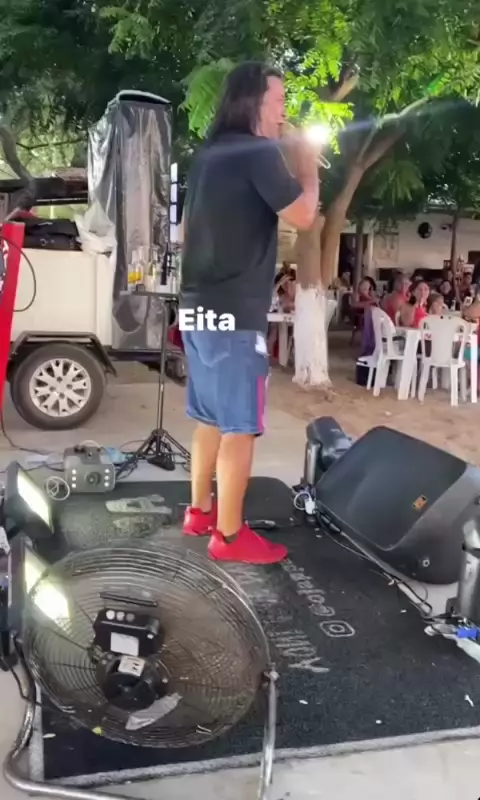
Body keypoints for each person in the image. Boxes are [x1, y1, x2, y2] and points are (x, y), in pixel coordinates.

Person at [179, 62, 319, 564]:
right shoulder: (259, 152)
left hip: (197, 307)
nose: (284, 111)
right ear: (253, 102)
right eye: (278, 100)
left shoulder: (208, 155)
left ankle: (199, 512)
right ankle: (230, 537)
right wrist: (308, 166)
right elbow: (304, 215)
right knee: (239, 424)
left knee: (208, 417)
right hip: (236, 313)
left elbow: (187, 231)